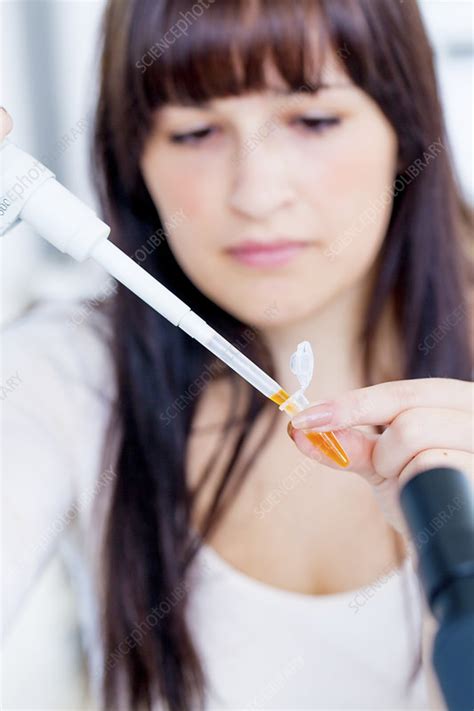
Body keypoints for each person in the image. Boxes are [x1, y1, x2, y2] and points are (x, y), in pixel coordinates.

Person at [2, 0, 473, 709]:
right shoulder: (63, 375)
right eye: (194, 131)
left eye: (314, 120)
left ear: (406, 129)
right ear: (135, 162)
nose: (256, 193)